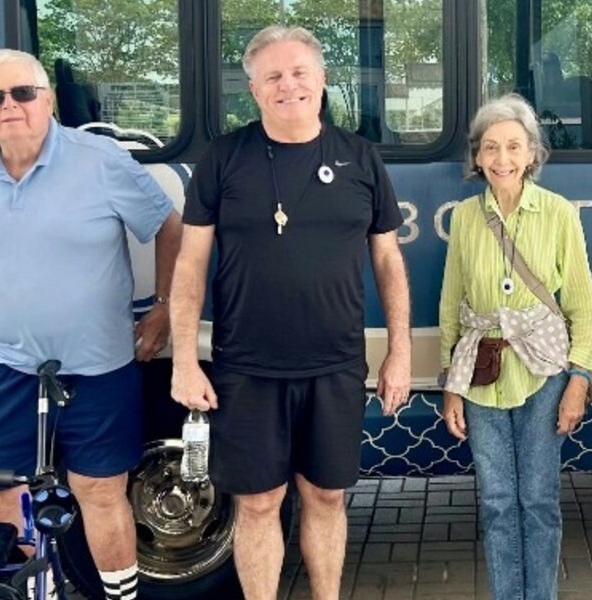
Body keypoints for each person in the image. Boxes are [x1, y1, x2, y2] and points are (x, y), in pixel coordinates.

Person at [0, 49, 182, 600]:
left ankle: (121, 597)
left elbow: (168, 225)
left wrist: (163, 308)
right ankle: (30, 592)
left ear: (49, 98)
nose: (8, 106)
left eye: (22, 93)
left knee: (101, 491)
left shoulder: (100, 160)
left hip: (99, 363)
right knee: (3, 494)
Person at [168, 25, 412, 600]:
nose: (288, 86)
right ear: (253, 90)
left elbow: (388, 262)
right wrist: (184, 359)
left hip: (334, 366)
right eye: (272, 76)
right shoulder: (224, 159)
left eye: (300, 72)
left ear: (322, 80)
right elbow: (189, 266)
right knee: (257, 504)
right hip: (246, 368)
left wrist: (399, 352)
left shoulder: (360, 158)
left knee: (327, 497)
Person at [437, 93, 592, 600]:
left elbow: (581, 304)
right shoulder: (466, 216)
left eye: (513, 146)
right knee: (498, 503)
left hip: (544, 375)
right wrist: (450, 387)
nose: (502, 159)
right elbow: (450, 305)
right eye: (491, 148)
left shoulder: (557, 213)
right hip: (482, 376)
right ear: (478, 157)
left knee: (538, 501)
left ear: (532, 153)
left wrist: (579, 381)